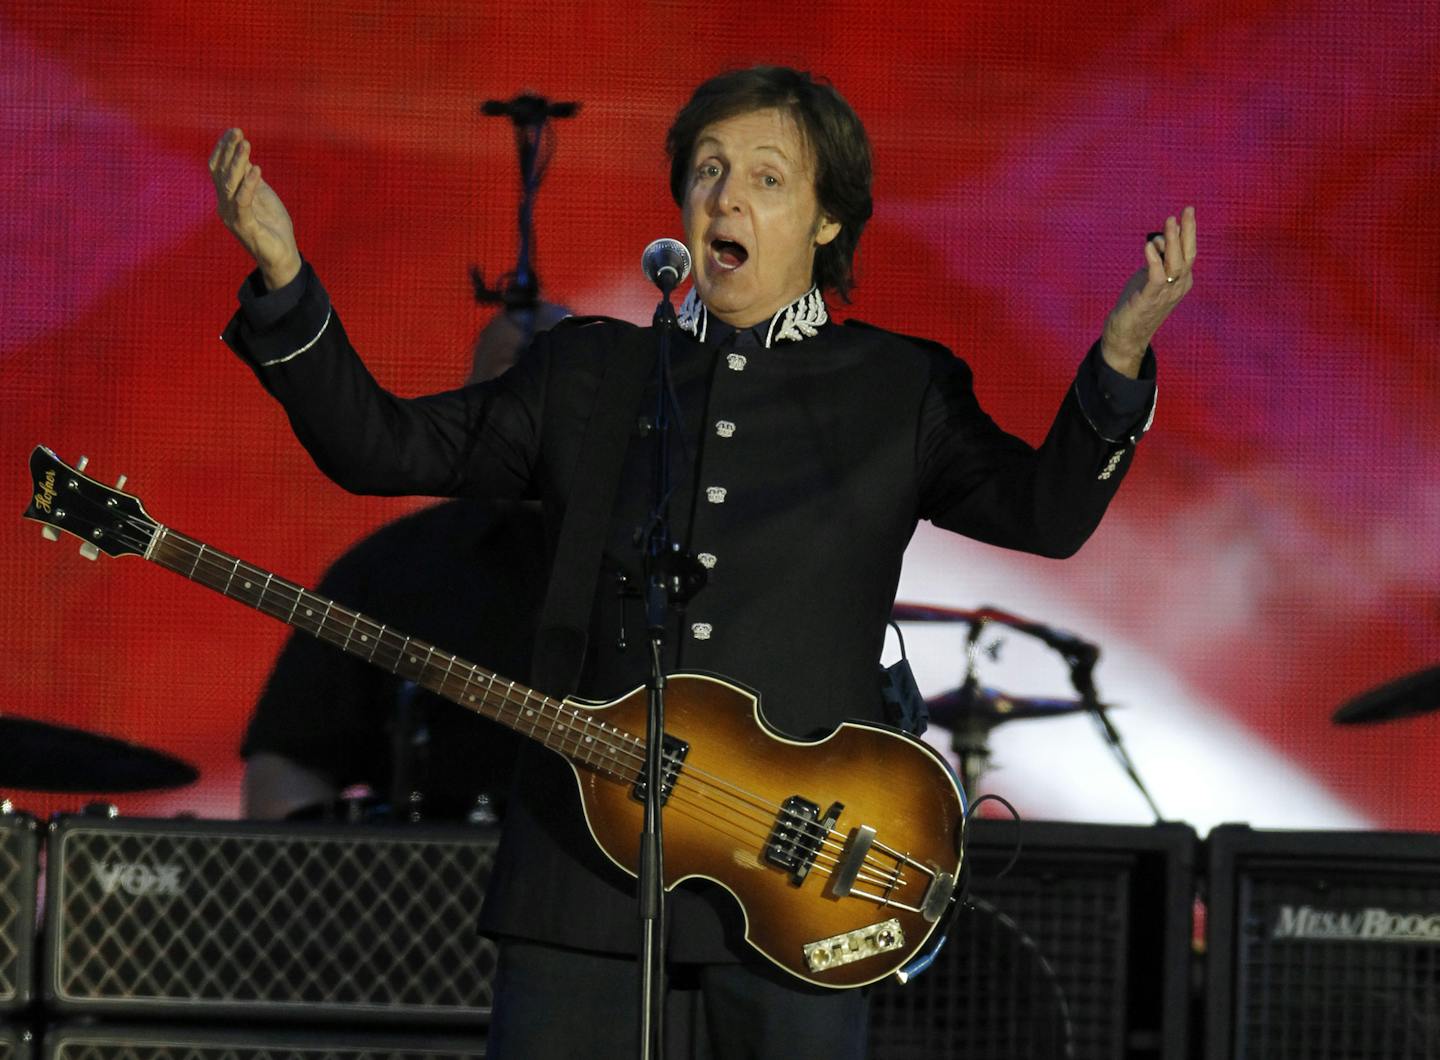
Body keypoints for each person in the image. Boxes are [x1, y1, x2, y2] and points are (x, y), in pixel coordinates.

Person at [210, 65, 1194, 1060]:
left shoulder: (898, 388)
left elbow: (1046, 513)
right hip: (580, 882)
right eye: (709, 169)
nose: (726, 195)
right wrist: (288, 287)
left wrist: (1117, 362)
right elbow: (380, 447)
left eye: (767, 178)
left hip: (798, 890)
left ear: (824, 221)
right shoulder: (589, 371)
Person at [241, 305, 566, 823]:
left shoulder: (671, 559)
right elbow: (288, 766)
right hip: (439, 892)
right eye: (509, 386)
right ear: (467, 406)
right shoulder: (389, 572)